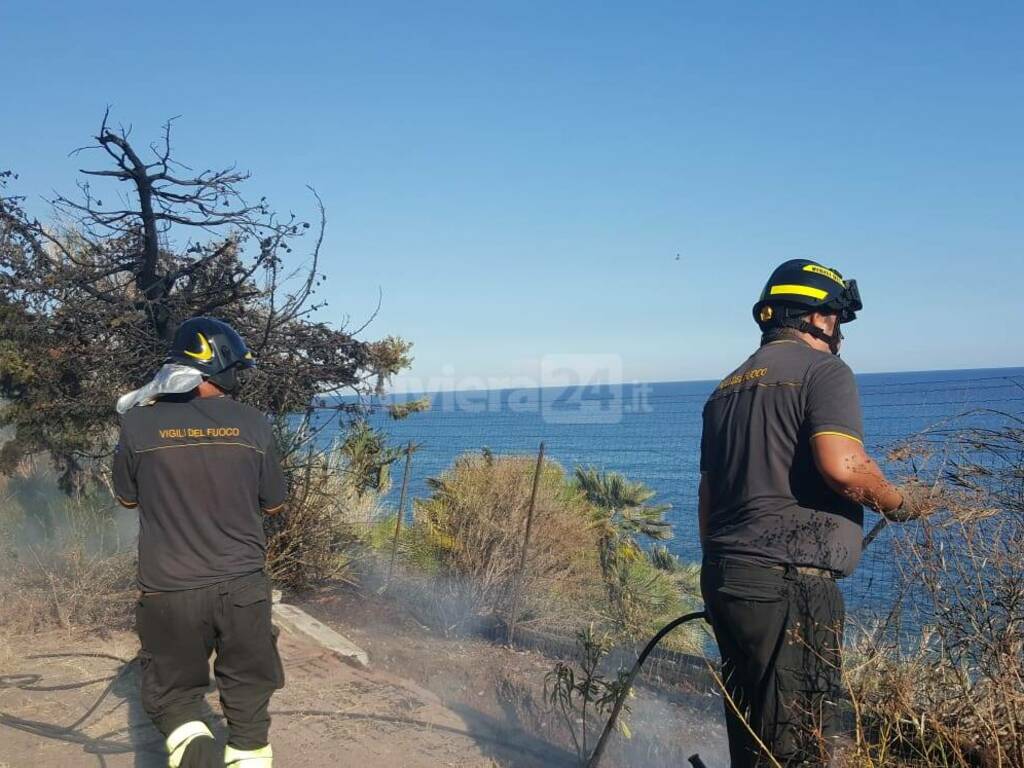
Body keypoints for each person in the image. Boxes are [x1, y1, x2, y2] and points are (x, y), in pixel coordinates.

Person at [698, 259, 936, 767]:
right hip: (791, 587)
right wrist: (901, 503)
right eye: (838, 320)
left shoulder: (726, 389)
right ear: (817, 319)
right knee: (801, 738)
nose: (841, 334)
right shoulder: (823, 371)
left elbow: (708, 498)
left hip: (727, 577)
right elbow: (845, 467)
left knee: (753, 732)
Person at [113, 317, 288, 768]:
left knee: (174, 700)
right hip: (244, 589)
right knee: (249, 707)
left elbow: (127, 499)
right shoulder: (254, 424)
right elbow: (273, 504)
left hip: (170, 590)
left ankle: (196, 753)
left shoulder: (137, 426)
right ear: (220, 369)